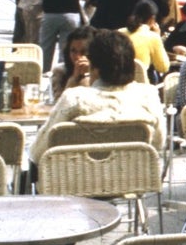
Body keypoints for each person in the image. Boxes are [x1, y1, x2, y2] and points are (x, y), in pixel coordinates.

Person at [30, 29, 165, 167]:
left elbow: (38, 152)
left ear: (94, 66)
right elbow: (158, 144)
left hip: (78, 180)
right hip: (131, 178)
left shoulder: (75, 99)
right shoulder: (148, 95)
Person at [120, 0, 169, 82]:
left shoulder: (119, 32)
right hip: (141, 83)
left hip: (118, 80)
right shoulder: (152, 37)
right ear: (152, 19)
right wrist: (158, 37)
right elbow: (163, 67)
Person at [50, 24, 96, 101]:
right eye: (73, 51)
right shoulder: (60, 71)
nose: (77, 56)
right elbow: (59, 102)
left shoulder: (100, 72)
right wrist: (74, 78)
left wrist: (89, 75)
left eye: (83, 52)